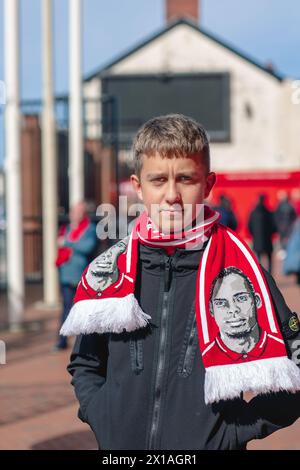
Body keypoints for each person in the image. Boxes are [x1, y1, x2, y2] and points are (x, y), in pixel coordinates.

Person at [63, 115, 300, 450]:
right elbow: (85, 363)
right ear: (139, 186)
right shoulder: (109, 271)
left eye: (185, 179)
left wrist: (234, 432)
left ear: (208, 184)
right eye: (158, 180)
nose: (171, 195)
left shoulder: (242, 271)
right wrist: (102, 415)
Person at [53, 201, 98, 351]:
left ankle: (84, 343)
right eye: (73, 211)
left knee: (83, 310)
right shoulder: (66, 229)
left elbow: (87, 247)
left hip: (82, 276)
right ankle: (62, 340)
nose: (75, 214)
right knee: (66, 308)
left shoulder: (89, 229)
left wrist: (68, 243)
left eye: (78, 211)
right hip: (66, 274)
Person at [247, 194, 276, 274]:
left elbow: (249, 226)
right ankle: (270, 273)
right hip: (267, 239)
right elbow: (274, 226)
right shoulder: (269, 213)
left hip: (257, 239)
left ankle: (259, 273)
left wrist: (254, 235)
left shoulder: (253, 213)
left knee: (258, 257)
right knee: (269, 257)